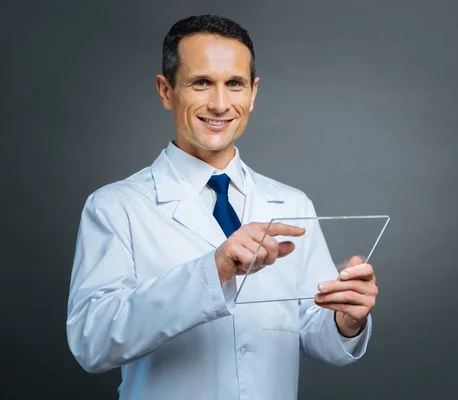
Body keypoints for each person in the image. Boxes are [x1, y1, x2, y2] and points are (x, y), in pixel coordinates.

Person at [66, 14, 379, 400]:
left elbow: (313, 334)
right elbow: (91, 342)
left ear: (253, 92)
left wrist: (345, 320)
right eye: (201, 83)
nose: (219, 104)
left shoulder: (292, 203)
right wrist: (213, 271)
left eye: (234, 84)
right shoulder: (116, 206)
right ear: (166, 91)